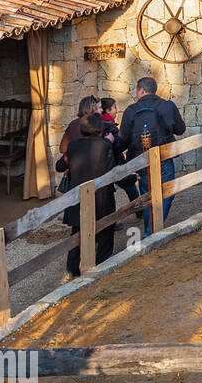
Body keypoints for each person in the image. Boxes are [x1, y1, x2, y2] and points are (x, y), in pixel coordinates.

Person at [117, 77, 186, 237]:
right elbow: (180, 129)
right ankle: (154, 229)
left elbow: (124, 140)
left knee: (148, 195)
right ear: (154, 90)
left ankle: (150, 231)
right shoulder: (167, 106)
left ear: (141, 90)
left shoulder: (130, 110)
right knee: (168, 191)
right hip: (164, 156)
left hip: (142, 160)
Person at [55, 114, 116, 278]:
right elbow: (111, 173)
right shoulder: (105, 145)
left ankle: (73, 269)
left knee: (77, 233)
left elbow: (60, 166)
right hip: (102, 198)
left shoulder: (73, 146)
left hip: (78, 198)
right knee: (105, 230)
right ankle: (101, 265)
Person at [100, 97, 139, 203]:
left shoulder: (96, 124)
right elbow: (117, 146)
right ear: (107, 110)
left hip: (101, 164)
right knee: (130, 186)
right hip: (114, 162)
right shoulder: (110, 126)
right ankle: (139, 209)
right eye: (114, 108)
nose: (116, 110)